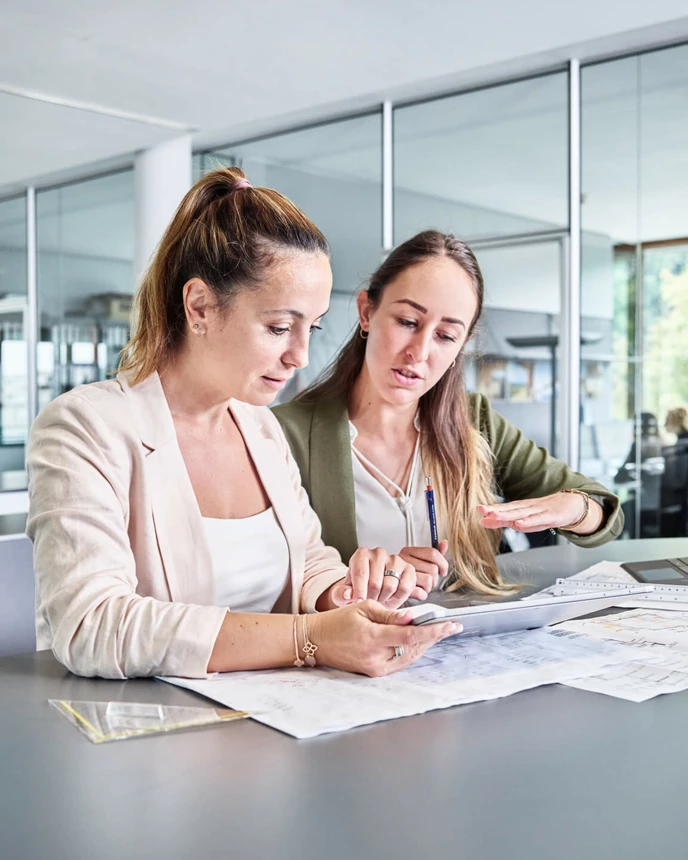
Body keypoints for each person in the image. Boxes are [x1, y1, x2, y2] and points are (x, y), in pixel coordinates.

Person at [26, 171, 458, 681]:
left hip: (273, 726)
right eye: (278, 327)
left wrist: (345, 594)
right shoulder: (84, 427)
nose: (299, 355)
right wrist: (311, 640)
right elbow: (92, 626)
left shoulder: (260, 427)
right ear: (200, 307)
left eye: (311, 328)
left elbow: (309, 558)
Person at [274, 230, 623, 596]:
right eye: (408, 322)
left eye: (445, 336)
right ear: (367, 311)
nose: (420, 351)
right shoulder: (285, 435)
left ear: (463, 345)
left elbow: (605, 512)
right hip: (347, 649)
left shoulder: (476, 422)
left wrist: (574, 509)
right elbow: (266, 586)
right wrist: (365, 582)